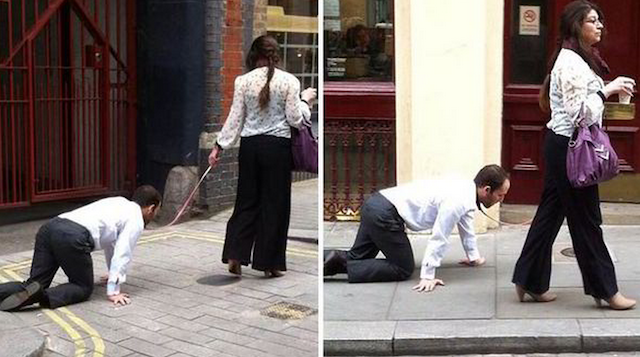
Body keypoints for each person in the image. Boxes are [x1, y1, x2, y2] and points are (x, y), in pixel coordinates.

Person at [512, 0, 636, 310]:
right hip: (571, 149)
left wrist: (609, 89)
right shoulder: (569, 62)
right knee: (587, 220)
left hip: (563, 146)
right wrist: (607, 90)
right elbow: (580, 111)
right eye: (593, 21)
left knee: (551, 214)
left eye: (600, 21)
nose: (600, 26)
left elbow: (582, 99)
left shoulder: (579, 60)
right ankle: (605, 290)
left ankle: (529, 279)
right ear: (576, 26)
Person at [208, 35, 317, 278]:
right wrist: (305, 102)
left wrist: (218, 146)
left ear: (253, 55)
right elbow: (295, 120)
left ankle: (236, 255)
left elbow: (235, 118)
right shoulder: (289, 81)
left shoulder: (242, 81)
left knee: (246, 202)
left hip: (250, 148)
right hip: (277, 149)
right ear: (276, 55)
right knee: (275, 206)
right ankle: (269, 264)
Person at [324, 165, 510, 293]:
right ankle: (343, 265)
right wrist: (428, 275)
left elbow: (466, 223)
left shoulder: (465, 189)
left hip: (376, 203)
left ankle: (330, 261)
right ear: (486, 190)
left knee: (359, 257)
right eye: (500, 195)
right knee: (403, 268)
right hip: (385, 215)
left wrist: (473, 256)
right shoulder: (458, 201)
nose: (501, 200)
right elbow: (440, 236)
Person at [0, 185, 161, 311]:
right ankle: (40, 296)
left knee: (33, 283)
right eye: (156, 212)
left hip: (50, 227)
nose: (153, 216)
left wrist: (112, 273)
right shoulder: (136, 219)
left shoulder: (118, 202)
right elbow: (122, 251)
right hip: (72, 237)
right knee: (82, 287)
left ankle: (29, 291)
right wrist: (114, 290)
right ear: (151, 208)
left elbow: (112, 244)